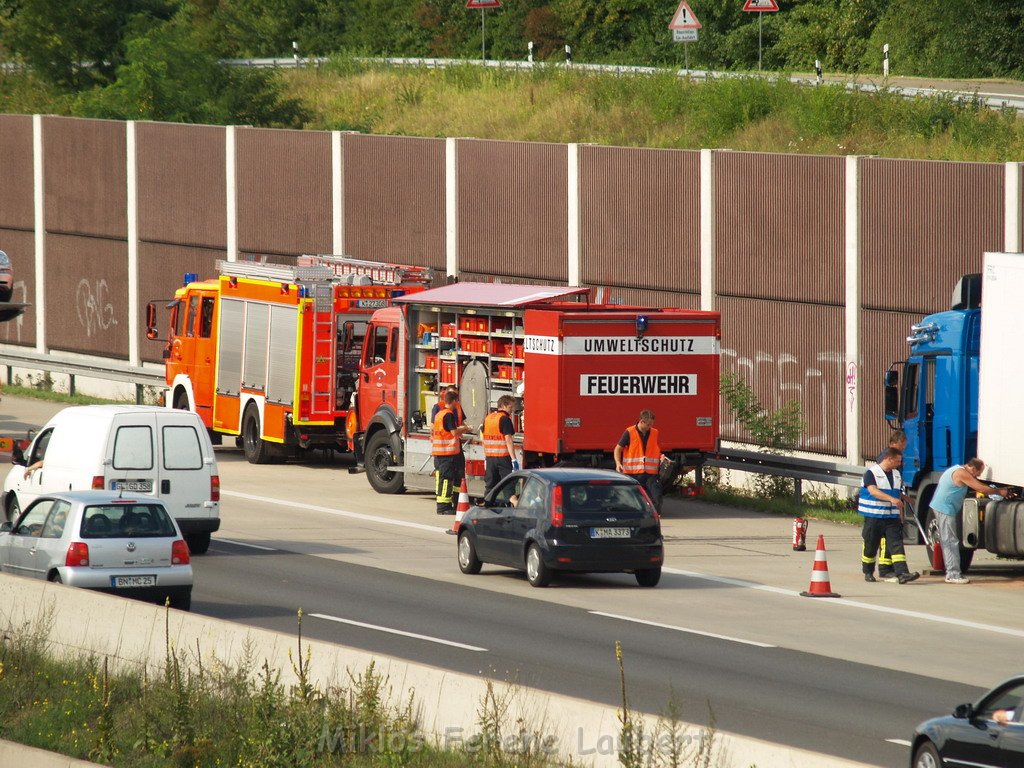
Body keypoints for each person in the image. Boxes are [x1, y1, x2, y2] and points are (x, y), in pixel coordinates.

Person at [929, 457, 1010, 585]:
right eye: (978, 472)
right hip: (944, 509)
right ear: (972, 468)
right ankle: (953, 574)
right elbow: (980, 488)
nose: (978, 475)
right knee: (950, 541)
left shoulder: (957, 469)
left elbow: (979, 485)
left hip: (943, 508)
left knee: (949, 540)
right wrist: (999, 492)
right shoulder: (961, 473)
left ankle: (952, 572)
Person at [859, 448, 920, 584]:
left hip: (892, 517)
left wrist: (906, 501)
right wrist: (892, 499)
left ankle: (902, 573)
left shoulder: (897, 474)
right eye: (897, 461)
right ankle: (868, 571)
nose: (899, 463)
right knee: (871, 544)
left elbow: (896, 493)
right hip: (874, 516)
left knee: (896, 545)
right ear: (889, 459)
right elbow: (873, 491)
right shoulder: (871, 473)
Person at [614, 410, 668, 512]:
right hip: (632, 474)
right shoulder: (629, 432)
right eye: (648, 424)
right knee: (631, 500)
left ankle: (654, 519)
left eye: (651, 424)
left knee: (657, 497)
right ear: (641, 421)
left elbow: (654, 450)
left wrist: (661, 456)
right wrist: (618, 463)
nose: (650, 427)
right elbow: (618, 449)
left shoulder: (654, 433)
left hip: (650, 474)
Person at [875, 430, 908, 581]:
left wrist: (902, 497)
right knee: (886, 538)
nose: (904, 447)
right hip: (884, 507)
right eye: (902, 444)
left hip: (892, 503)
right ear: (896, 443)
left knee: (892, 538)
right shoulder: (886, 458)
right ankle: (885, 569)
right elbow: (884, 485)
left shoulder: (893, 458)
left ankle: (894, 569)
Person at [432, 389, 470, 515]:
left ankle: (449, 503)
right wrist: (465, 429)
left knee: (447, 478)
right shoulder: (448, 415)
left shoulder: (440, 414)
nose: (457, 403)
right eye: (457, 401)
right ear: (453, 401)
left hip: (443, 452)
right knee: (446, 479)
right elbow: (454, 432)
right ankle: (443, 506)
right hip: (447, 453)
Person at [482, 395, 519, 495]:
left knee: (490, 485)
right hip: (503, 458)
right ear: (503, 406)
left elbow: (483, 438)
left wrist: (485, 456)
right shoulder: (505, 419)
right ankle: (510, 504)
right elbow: (508, 440)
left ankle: (488, 505)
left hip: (490, 458)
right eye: (510, 407)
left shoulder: (488, 418)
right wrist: (514, 459)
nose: (512, 410)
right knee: (508, 484)